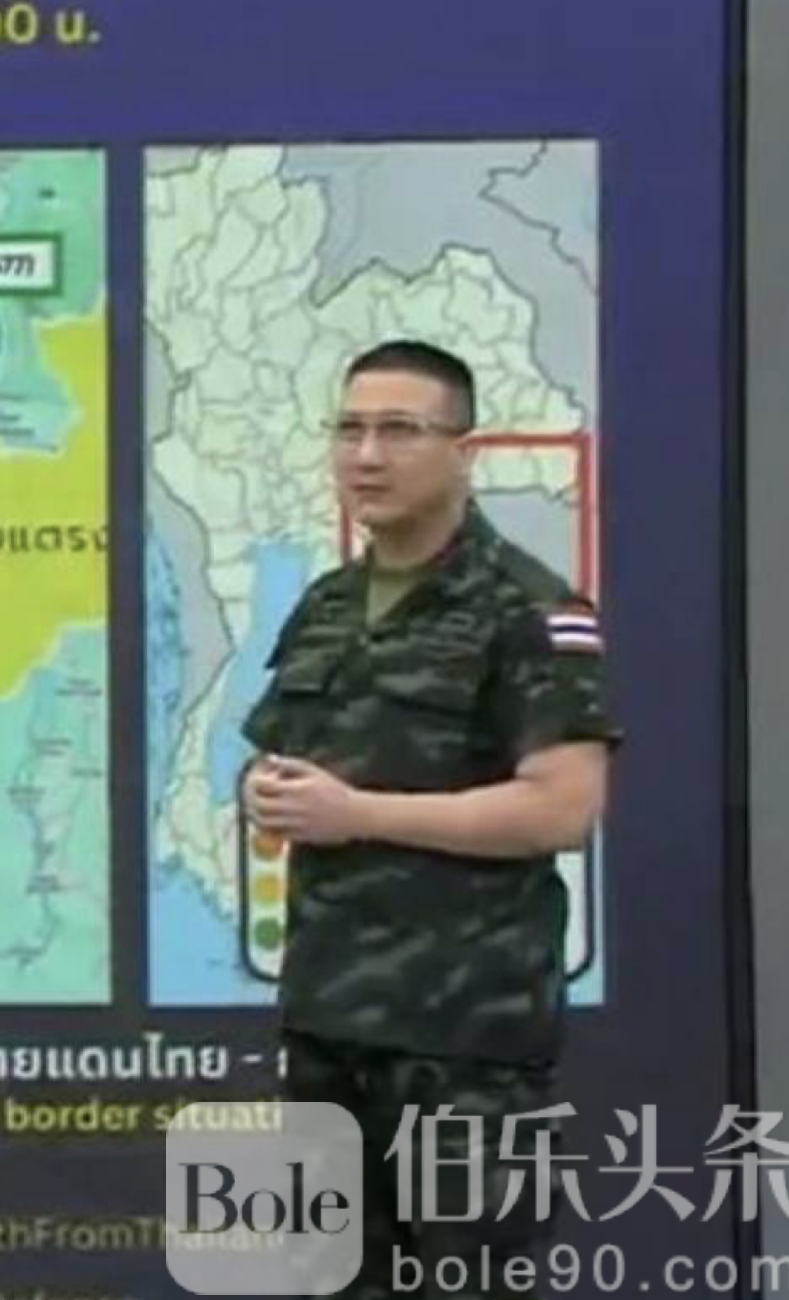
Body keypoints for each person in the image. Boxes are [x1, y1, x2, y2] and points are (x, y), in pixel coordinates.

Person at [240, 340, 619, 1298]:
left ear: (464, 450)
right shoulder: (327, 607)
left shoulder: (530, 609)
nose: (367, 455)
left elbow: (561, 807)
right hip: (328, 1027)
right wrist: (268, 794)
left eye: (400, 431)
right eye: (350, 430)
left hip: (462, 1046)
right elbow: (288, 760)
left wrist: (357, 813)